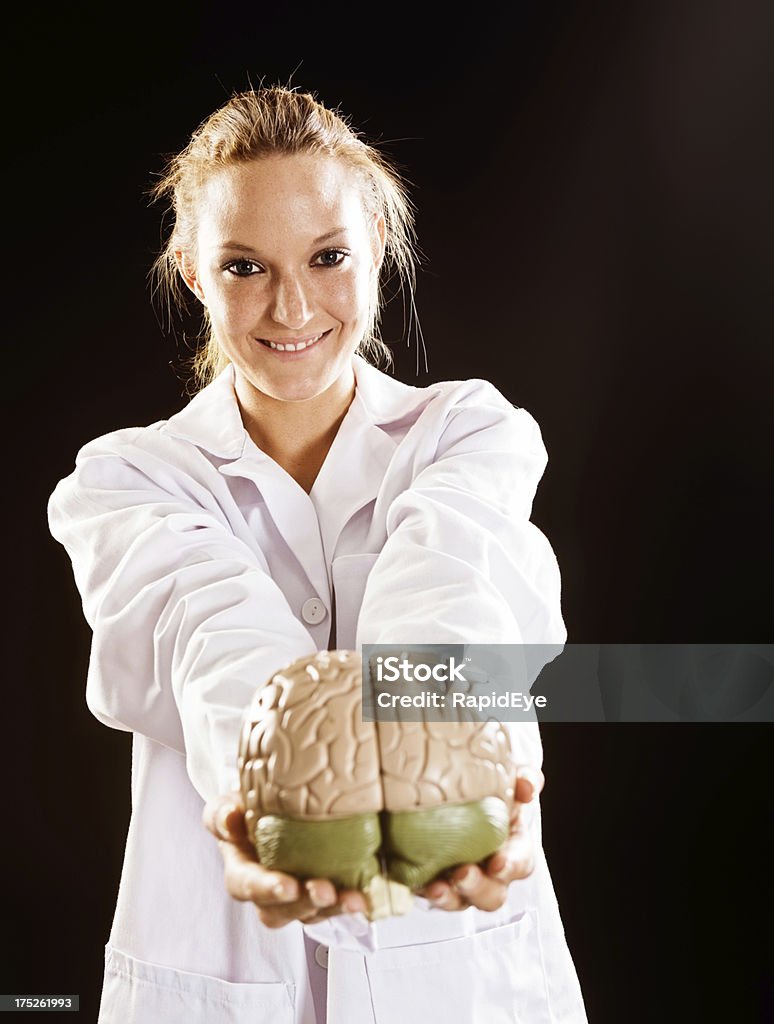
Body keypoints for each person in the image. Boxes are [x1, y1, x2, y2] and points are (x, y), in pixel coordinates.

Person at [47, 85, 588, 1023]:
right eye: (245, 265)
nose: (291, 305)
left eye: (329, 256)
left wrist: (439, 764)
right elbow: (207, 630)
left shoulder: (469, 432)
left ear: (376, 241)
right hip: (220, 974)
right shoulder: (127, 478)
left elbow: (452, 586)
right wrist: (282, 797)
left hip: (463, 975)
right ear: (190, 270)